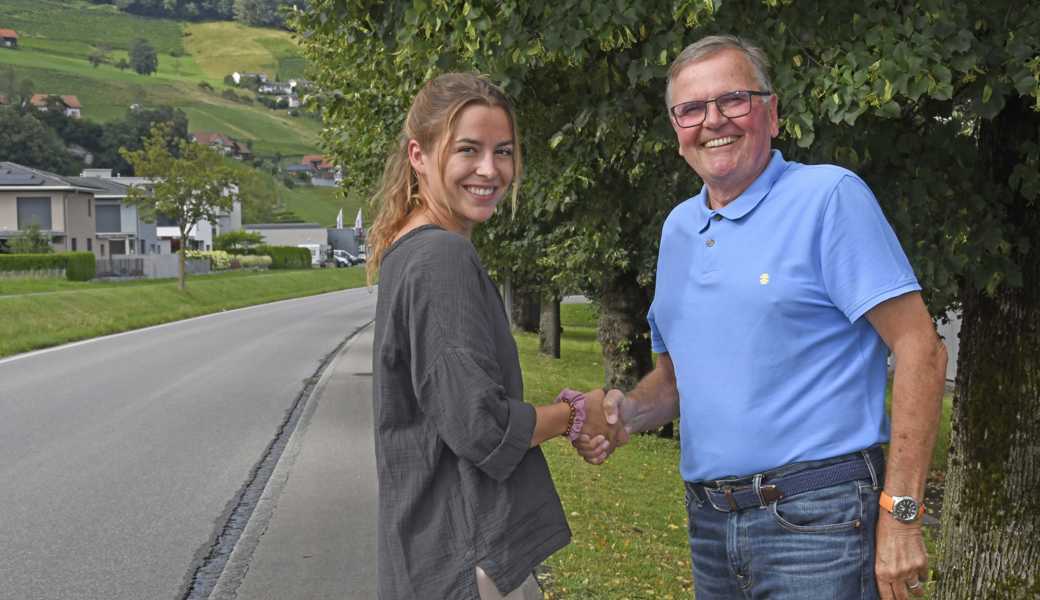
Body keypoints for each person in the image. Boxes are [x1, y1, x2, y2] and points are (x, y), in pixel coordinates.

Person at [574, 35, 948, 600]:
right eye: (692, 109)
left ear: (771, 114)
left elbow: (922, 348)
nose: (713, 120)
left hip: (819, 520)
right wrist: (623, 413)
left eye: (734, 100)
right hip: (709, 523)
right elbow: (678, 381)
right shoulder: (677, 229)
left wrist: (901, 515)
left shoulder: (829, 197)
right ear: (676, 132)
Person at [369, 73, 620, 600]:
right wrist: (572, 414)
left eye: (502, 151)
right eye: (468, 150)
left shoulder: (408, 251)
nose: (490, 169)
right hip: (467, 560)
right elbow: (480, 426)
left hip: (437, 557)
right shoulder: (441, 257)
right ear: (419, 155)